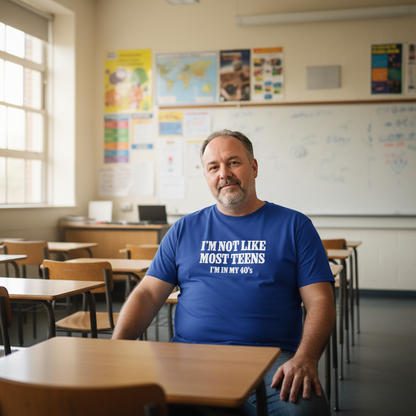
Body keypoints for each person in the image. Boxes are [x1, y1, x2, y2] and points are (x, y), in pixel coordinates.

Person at [112, 129, 336, 416]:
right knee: (128, 403)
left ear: (253, 167)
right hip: (187, 358)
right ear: (206, 175)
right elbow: (147, 293)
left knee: (306, 410)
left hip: (269, 361)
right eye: (213, 167)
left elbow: (320, 300)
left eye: (233, 162)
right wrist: (116, 348)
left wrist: (306, 358)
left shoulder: (295, 226)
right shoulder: (183, 229)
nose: (224, 173)